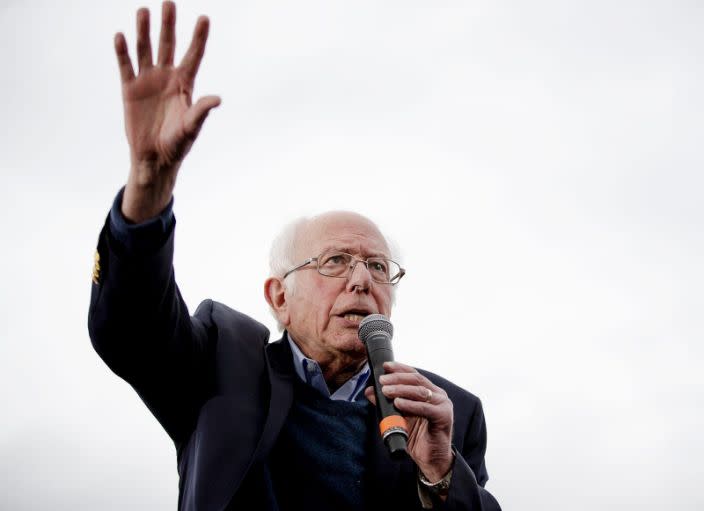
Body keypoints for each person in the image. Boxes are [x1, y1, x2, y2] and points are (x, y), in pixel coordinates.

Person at [88, 2, 501, 510]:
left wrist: (439, 473)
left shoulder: (448, 411)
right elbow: (130, 327)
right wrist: (148, 186)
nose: (360, 281)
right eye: (334, 261)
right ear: (279, 295)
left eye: (377, 267)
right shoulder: (222, 362)